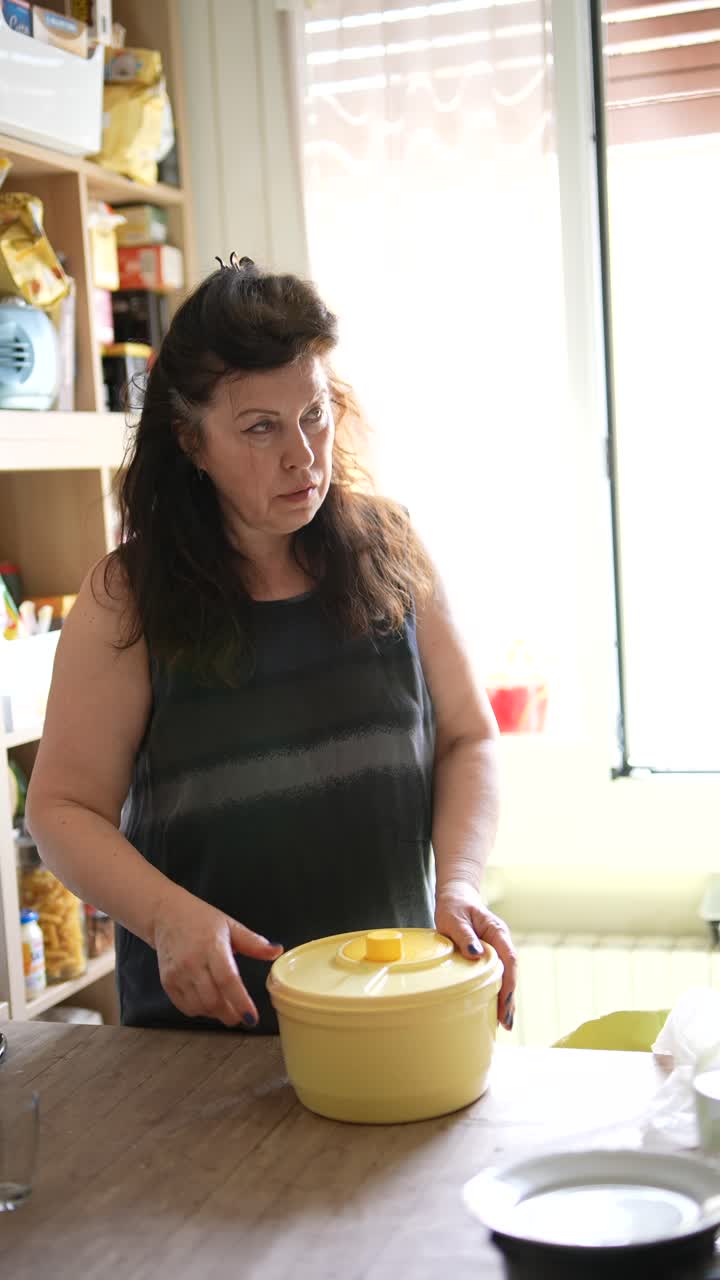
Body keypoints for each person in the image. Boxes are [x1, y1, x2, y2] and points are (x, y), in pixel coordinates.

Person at [26, 257, 517, 1034]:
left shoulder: (393, 549)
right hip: (204, 1038)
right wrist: (165, 918)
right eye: (261, 428)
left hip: (386, 1013)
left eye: (314, 414)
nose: (303, 455)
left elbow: (468, 739)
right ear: (192, 440)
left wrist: (458, 883)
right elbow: (60, 808)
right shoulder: (128, 596)